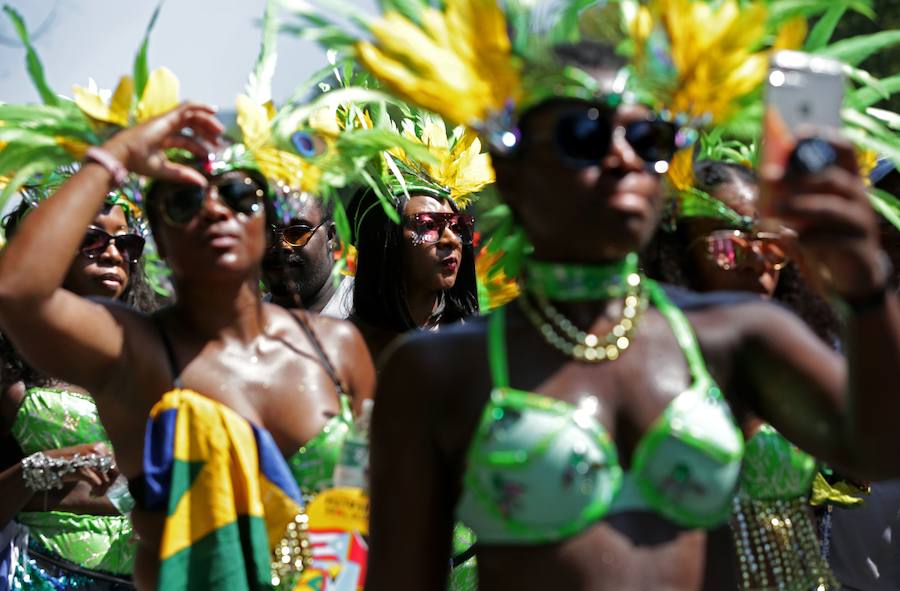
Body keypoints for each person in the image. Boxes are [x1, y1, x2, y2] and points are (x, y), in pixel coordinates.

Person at [301, 0, 900, 589]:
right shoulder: (438, 369)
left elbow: (879, 450)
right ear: (510, 173)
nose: (621, 157)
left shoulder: (737, 334)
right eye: (581, 134)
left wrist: (864, 284)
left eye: (648, 138)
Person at [643, 155, 843, 589]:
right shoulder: (643, 361)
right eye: (728, 245)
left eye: (770, 244)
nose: (756, 263)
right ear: (678, 252)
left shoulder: (796, 359)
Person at [0, 186, 158, 591]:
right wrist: (45, 466)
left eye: (127, 243)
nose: (112, 254)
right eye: (90, 239)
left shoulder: (157, 350)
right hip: (39, 575)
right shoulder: (8, 360)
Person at [261, 193, 353, 318]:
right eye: (266, 233)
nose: (281, 246)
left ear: (330, 236)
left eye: (297, 232)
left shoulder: (367, 312)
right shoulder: (243, 323)